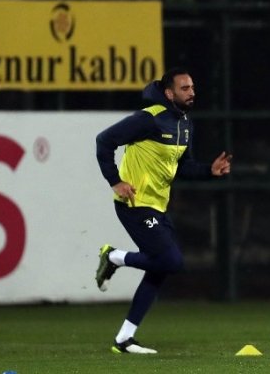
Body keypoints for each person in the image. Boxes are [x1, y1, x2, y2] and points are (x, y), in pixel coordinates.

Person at [94, 67, 232, 355]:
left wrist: (209, 171)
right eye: (185, 88)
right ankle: (114, 257)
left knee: (161, 268)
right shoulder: (149, 118)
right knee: (171, 261)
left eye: (192, 87)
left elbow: (183, 167)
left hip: (157, 206)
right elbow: (104, 140)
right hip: (134, 203)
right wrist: (115, 181)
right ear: (169, 93)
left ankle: (124, 339)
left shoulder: (186, 124)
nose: (192, 92)